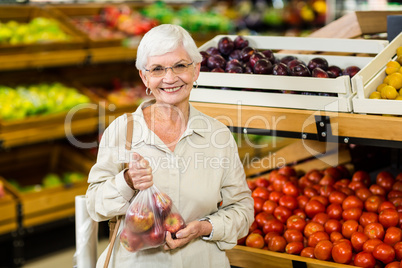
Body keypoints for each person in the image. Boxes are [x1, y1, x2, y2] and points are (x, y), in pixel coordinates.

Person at [86, 24, 254, 268]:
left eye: (180, 65)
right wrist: (127, 181)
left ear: (196, 70)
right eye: (157, 69)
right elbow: (95, 206)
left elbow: (242, 209)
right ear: (144, 77)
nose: (169, 78)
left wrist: (205, 228)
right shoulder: (123, 131)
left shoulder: (218, 136)